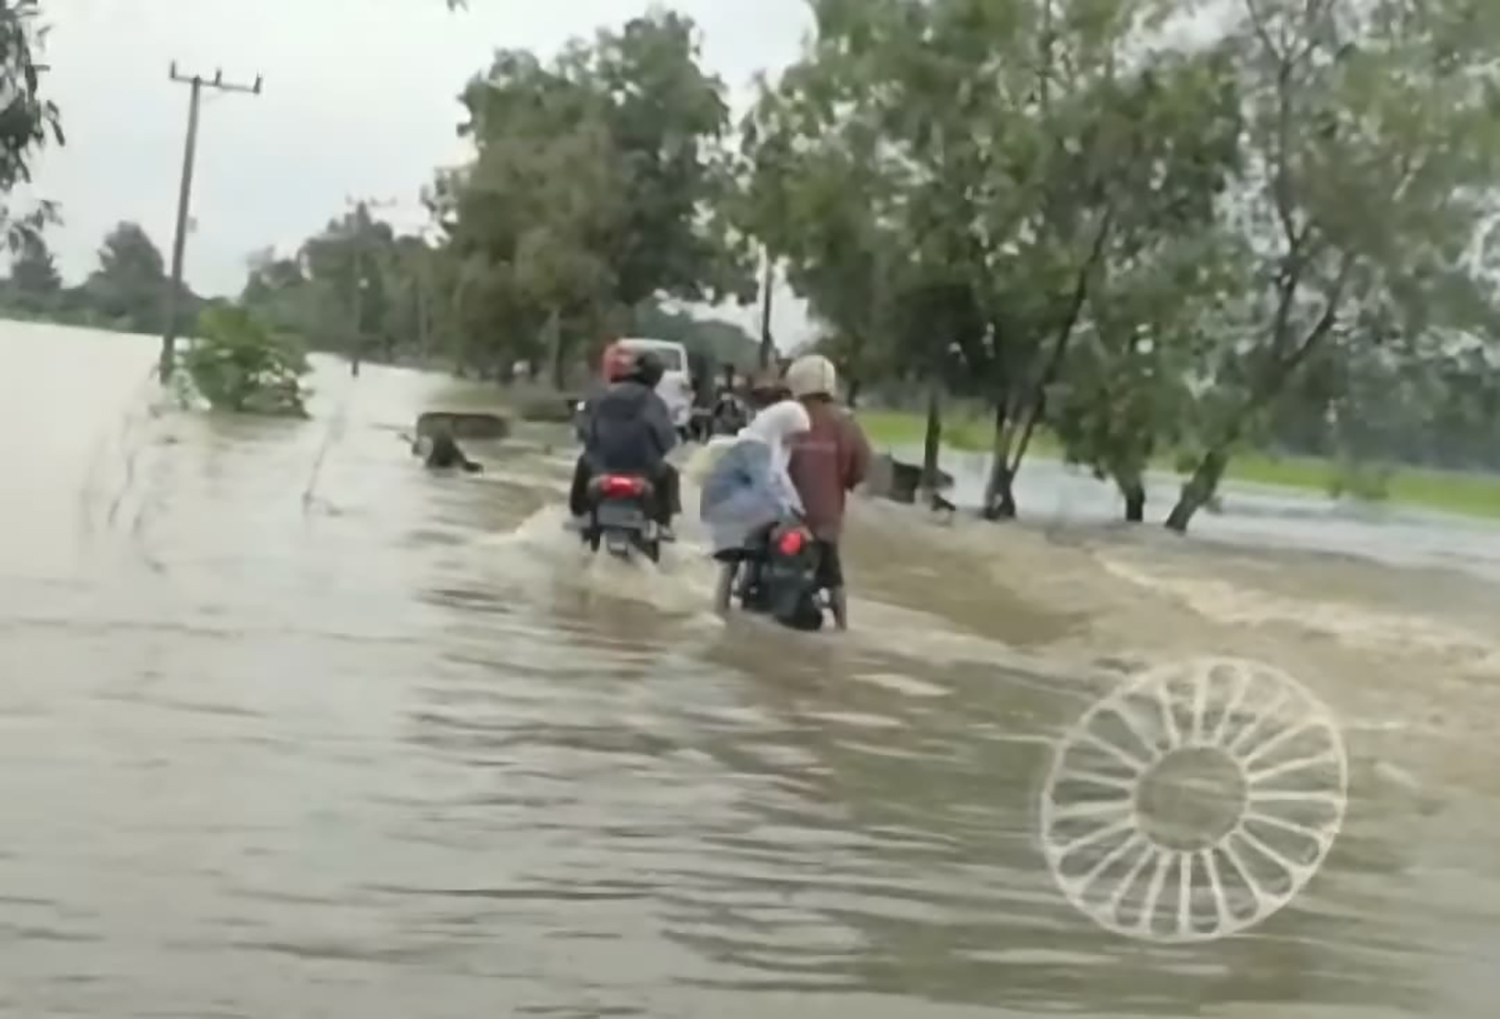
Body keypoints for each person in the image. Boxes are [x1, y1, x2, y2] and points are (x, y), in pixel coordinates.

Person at [697, 399, 812, 611]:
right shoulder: (755, 447)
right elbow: (766, 485)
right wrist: (787, 515)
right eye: (796, 434)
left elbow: (782, 481)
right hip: (727, 502)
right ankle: (721, 606)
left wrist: (798, 509)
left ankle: (749, 587)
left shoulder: (777, 447)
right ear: (783, 426)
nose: (798, 441)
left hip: (749, 501)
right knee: (734, 556)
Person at [784, 354, 871, 631]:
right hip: (824, 519)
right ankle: (842, 627)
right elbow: (861, 467)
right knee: (833, 576)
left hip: (783, 514)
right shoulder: (846, 424)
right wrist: (845, 481)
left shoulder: (785, 418)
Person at [569, 345, 682, 539]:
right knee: (670, 474)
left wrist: (592, 443)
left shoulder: (604, 394)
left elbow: (584, 426)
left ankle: (580, 513)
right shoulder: (654, 402)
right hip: (643, 469)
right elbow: (667, 439)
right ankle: (663, 524)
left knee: (582, 463)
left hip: (601, 466)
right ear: (656, 377)